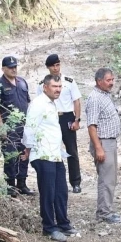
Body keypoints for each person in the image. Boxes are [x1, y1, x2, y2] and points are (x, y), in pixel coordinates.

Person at [23, 75, 77, 242]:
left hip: (55, 154)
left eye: (60, 86)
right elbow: (29, 129)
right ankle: (49, 227)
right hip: (42, 154)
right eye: (55, 86)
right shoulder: (38, 104)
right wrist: (27, 151)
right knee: (48, 192)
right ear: (45, 87)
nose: (58, 89)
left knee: (61, 190)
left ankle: (63, 223)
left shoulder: (52, 104)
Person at [37, 54, 83, 193]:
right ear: (48, 67)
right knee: (52, 149)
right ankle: (58, 180)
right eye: (53, 66)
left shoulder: (69, 81)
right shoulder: (42, 84)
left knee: (72, 150)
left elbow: (76, 101)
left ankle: (75, 182)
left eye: (57, 65)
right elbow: (40, 104)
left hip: (67, 117)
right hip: (51, 118)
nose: (56, 68)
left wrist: (77, 119)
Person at [0, 56, 35, 197]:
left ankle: (22, 184)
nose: (14, 69)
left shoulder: (22, 82)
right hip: (8, 127)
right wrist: (1, 127)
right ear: (3, 69)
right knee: (10, 156)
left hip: (24, 125)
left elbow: (27, 103)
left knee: (24, 154)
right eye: (10, 67)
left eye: (15, 67)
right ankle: (10, 186)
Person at [86, 68, 121, 224]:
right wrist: (99, 147)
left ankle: (107, 209)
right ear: (99, 81)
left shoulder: (104, 95)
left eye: (112, 79)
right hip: (103, 142)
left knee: (111, 178)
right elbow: (92, 126)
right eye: (108, 80)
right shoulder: (95, 98)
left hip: (110, 141)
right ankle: (103, 213)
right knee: (106, 179)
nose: (112, 83)